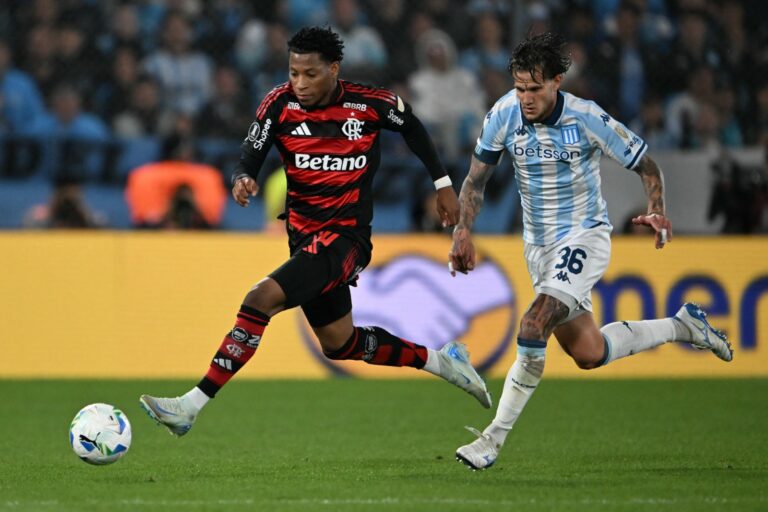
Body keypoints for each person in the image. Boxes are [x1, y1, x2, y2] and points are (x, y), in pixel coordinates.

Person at [139, 26, 491, 437]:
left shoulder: (368, 104)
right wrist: (243, 177)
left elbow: (412, 127)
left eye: (310, 74)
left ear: (334, 69)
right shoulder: (278, 104)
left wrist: (442, 184)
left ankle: (190, 405)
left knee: (260, 298)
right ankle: (441, 361)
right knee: (339, 343)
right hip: (304, 239)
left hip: (346, 239)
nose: (299, 84)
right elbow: (253, 148)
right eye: (293, 73)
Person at [447, 32, 733, 471]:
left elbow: (646, 164)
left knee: (532, 323)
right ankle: (683, 327)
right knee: (588, 352)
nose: (525, 97)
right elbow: (475, 180)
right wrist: (463, 230)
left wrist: (656, 210)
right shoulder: (504, 114)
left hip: (584, 237)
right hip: (538, 248)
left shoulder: (587, 118)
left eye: (534, 88)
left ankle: (492, 439)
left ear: (557, 81)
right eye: (520, 87)